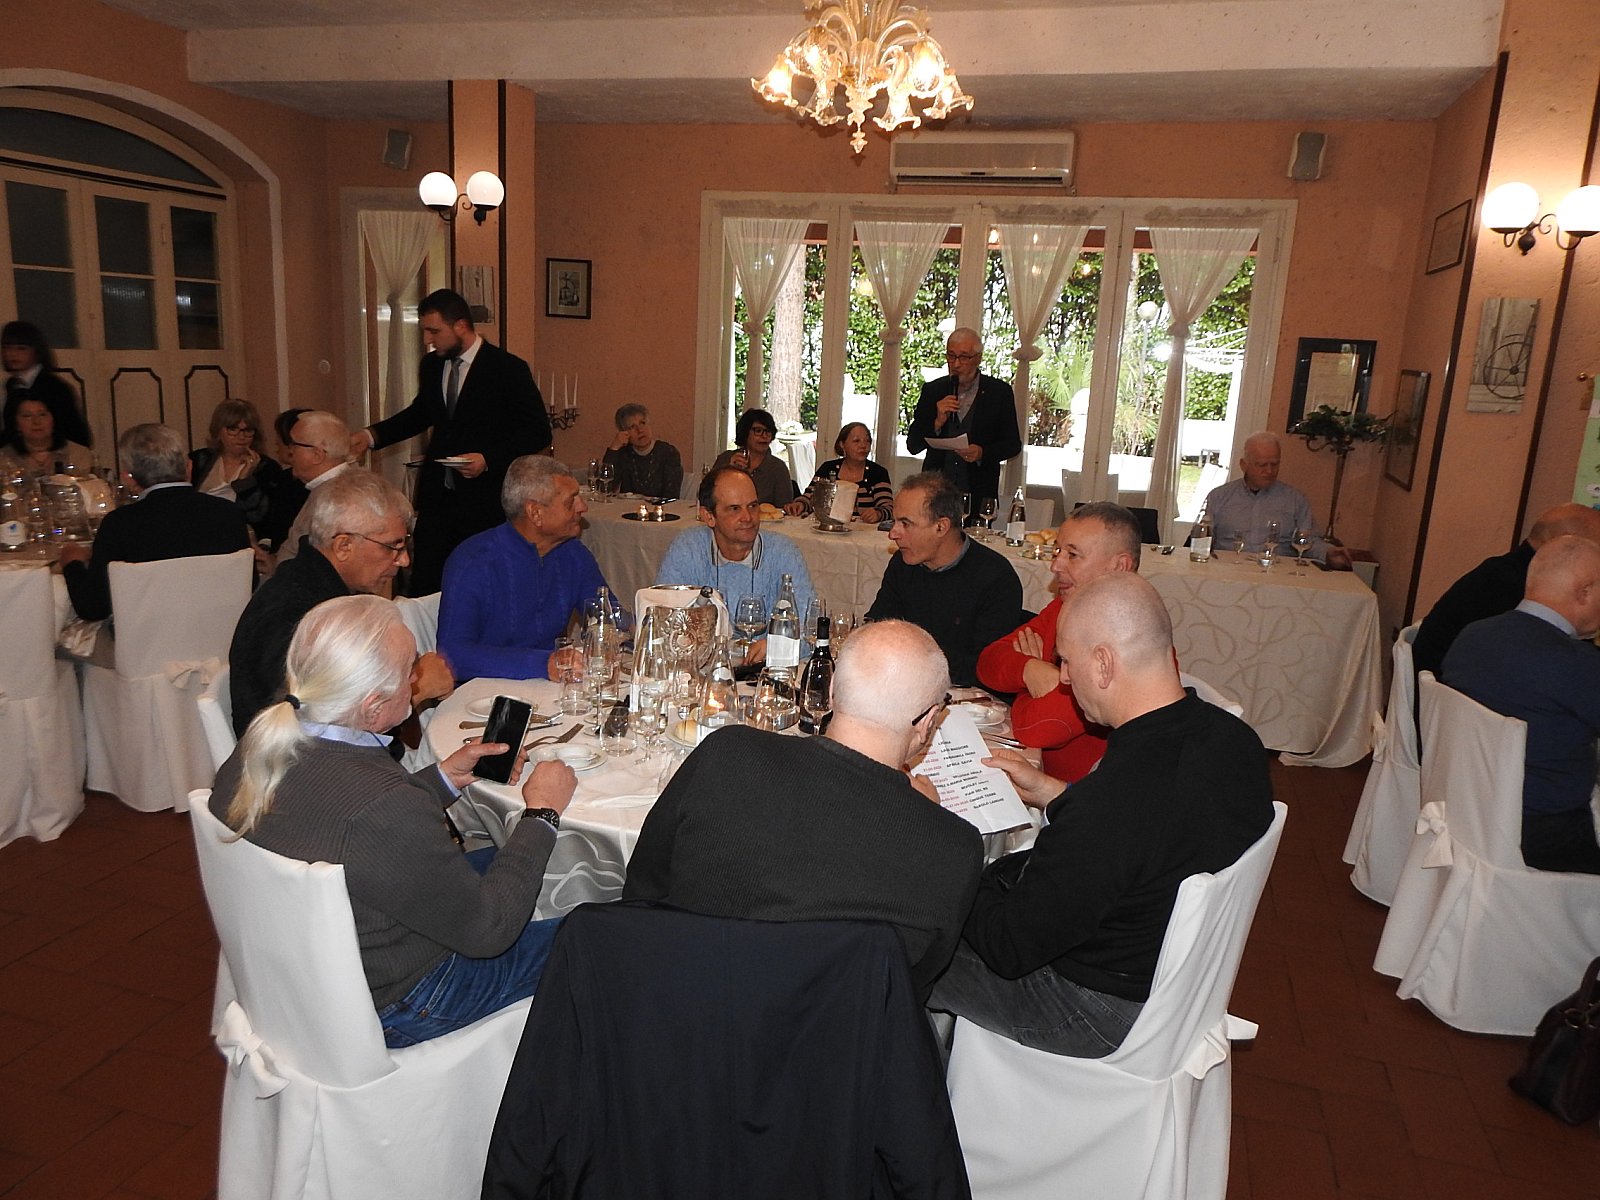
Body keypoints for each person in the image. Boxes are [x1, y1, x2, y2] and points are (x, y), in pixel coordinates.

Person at [929, 572, 1275, 1056]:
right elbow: (1149, 837)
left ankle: (916, 1086)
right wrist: (1055, 794)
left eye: (1067, 661)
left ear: (1104, 663)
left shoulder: (1115, 799)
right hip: (1166, 980)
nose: (1064, 678)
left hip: (1096, 1009)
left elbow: (1009, 948)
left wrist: (949, 844)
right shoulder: (1234, 740)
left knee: (904, 941)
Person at [212, 594, 574, 1047]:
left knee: (518, 861)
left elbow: (344, 827)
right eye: (409, 671)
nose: (417, 678)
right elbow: (489, 931)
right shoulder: (382, 804)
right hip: (402, 999)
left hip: (308, 975)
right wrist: (542, 813)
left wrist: (444, 777)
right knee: (597, 933)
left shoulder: (258, 748)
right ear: (373, 706)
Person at [623, 619, 983, 999]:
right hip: (833, 1032)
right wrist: (925, 818)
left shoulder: (726, 752)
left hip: (675, 1002)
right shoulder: (955, 848)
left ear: (831, 689)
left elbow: (643, 886)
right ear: (928, 721)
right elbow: (914, 985)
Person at [351, 289, 551, 596]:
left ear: (460, 326)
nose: (427, 340)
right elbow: (421, 413)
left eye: (434, 331)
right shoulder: (432, 366)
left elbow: (538, 432)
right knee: (427, 582)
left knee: (483, 584)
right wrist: (371, 436)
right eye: (425, 331)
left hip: (486, 500)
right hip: (437, 497)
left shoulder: (507, 368)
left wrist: (488, 458)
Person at [229, 470, 451, 736]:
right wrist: (416, 690)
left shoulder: (318, 587)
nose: (403, 561)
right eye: (392, 547)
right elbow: (313, 734)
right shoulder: (296, 617)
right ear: (344, 546)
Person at [1442, 535, 1600, 874]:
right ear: (1585, 592)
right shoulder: (1576, 663)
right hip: (1544, 834)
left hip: (1468, 810)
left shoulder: (1472, 635)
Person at [976, 502, 1143, 783]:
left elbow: (1034, 730)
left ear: (1119, 566)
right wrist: (1032, 670)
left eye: (1072, 555)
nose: (1055, 566)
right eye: (1057, 551)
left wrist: (1026, 684)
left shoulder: (1129, 641)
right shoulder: (1066, 608)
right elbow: (987, 661)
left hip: (1086, 795)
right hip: (1047, 779)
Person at [59, 423, 249, 623]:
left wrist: (72, 564)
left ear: (129, 479)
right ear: (189, 467)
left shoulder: (120, 524)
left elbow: (93, 608)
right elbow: (247, 583)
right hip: (222, 635)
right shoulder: (229, 513)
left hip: (146, 639)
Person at [439, 456, 607, 681]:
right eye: (571, 501)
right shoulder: (474, 562)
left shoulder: (573, 555)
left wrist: (644, 624)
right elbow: (452, 655)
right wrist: (542, 664)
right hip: (484, 694)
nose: (583, 507)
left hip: (549, 691)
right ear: (535, 513)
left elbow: (608, 617)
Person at [867, 471, 1022, 688]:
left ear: (941, 526)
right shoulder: (903, 564)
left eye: (905, 523)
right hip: (906, 683)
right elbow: (877, 625)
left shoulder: (995, 578)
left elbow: (988, 667)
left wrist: (911, 653)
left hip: (967, 697)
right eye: (895, 521)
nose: (893, 533)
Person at [1413, 501, 1600, 681]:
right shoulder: (1517, 591)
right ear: (1564, 544)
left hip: (1442, 691)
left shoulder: (1501, 571)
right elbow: (1566, 662)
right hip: (1448, 691)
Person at [657, 465, 816, 664]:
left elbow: (810, 628)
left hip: (763, 672)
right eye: (734, 509)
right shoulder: (688, 549)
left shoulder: (783, 552)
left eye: (753, 506)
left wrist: (777, 646)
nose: (748, 517)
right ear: (709, 516)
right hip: (701, 671)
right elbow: (663, 622)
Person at [905, 326, 1022, 505]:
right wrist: (936, 422)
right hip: (935, 493)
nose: (956, 364)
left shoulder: (998, 392)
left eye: (964, 357)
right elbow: (913, 445)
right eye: (951, 356)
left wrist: (982, 452)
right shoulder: (933, 390)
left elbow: (1012, 445)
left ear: (978, 358)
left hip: (979, 492)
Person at [1201, 431, 1351, 568]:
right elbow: (1203, 539)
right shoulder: (1219, 497)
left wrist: (1328, 552)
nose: (1269, 471)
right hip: (1229, 570)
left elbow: (1308, 541)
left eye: (1275, 464)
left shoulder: (1295, 500)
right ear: (1244, 465)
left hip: (1278, 573)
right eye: (1262, 465)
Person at [187, 398, 288, 537]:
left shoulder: (268, 468)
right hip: (196, 532)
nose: (241, 437)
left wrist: (245, 482)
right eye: (233, 429)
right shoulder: (198, 460)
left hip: (242, 536)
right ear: (218, 430)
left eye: (248, 430)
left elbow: (260, 518)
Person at [273, 410, 353, 568]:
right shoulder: (326, 487)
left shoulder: (337, 496)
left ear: (317, 454)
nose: (290, 452)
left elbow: (318, 565)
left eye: (294, 445)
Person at [2, 320, 91, 448]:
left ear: (37, 351)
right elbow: (11, 430)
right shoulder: (12, 385)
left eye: (21, 348)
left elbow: (75, 433)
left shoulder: (54, 387)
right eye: (7, 348)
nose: (13, 354)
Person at [783, 421, 895, 523]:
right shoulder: (828, 469)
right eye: (856, 441)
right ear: (842, 444)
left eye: (867, 441)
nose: (863, 445)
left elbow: (889, 508)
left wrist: (878, 514)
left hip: (864, 534)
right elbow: (810, 497)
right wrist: (800, 504)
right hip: (828, 529)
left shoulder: (878, 473)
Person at [711, 408, 795, 509]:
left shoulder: (778, 468)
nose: (764, 436)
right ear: (745, 432)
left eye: (768, 432)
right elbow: (708, 497)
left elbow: (785, 508)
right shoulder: (726, 459)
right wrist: (729, 471)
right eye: (758, 431)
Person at [0, 392, 94, 479]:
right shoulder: (4, 457)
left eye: (42, 415)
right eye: (27, 416)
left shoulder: (78, 453)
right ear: (16, 423)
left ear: (53, 419)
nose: (36, 422)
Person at [601, 402, 683, 498]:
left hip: (659, 506)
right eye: (632, 427)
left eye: (642, 423)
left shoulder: (668, 453)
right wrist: (614, 448)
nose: (640, 430)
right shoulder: (624, 453)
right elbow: (604, 488)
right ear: (624, 433)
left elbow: (671, 496)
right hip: (627, 506)